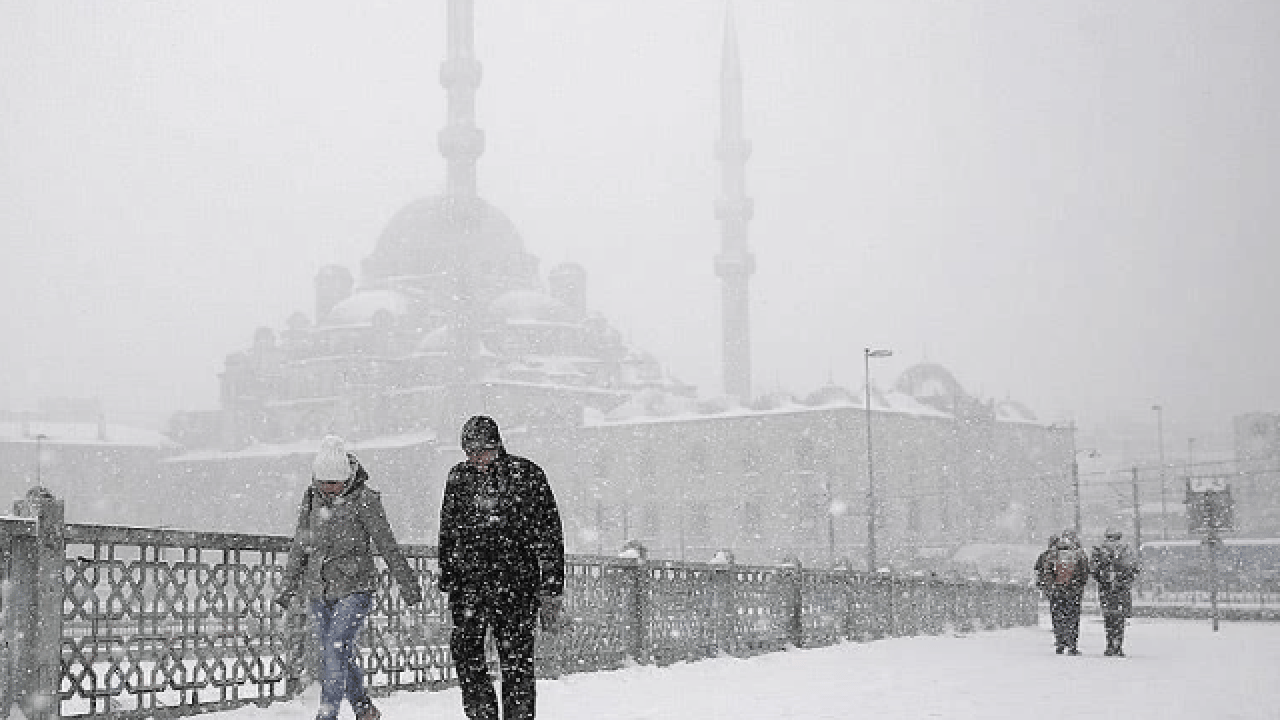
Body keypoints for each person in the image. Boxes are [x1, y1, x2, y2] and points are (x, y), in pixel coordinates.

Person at [276, 435, 423, 720]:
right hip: (319, 588)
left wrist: (408, 583)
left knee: (335, 646)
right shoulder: (310, 499)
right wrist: (288, 586)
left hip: (356, 587)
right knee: (336, 652)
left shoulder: (365, 500)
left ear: (348, 477)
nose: (329, 490)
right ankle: (364, 708)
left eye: (335, 483)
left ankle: (327, 713)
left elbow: (386, 543)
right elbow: (300, 545)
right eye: (323, 483)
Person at [438, 415, 565, 720]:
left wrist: (552, 585)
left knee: (517, 662)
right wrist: (448, 576)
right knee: (467, 654)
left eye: (481, 451)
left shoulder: (528, 475)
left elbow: (550, 533)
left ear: (497, 445)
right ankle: (482, 714)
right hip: (469, 585)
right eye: (470, 452)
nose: (476, 459)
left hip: (516, 585)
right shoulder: (459, 477)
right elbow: (448, 530)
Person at [1092, 527, 1140, 656]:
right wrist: (1125, 580)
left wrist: (1103, 580)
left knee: (1109, 618)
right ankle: (1118, 645)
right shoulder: (1127, 550)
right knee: (1120, 619)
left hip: (1106, 589)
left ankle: (1109, 645)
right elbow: (1135, 568)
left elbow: (1094, 570)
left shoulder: (1099, 549)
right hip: (1122, 589)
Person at [1045, 530, 1090, 655]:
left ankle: (1060, 643)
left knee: (1058, 616)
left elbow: (1047, 571)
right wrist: (1078, 585)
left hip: (1057, 591)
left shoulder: (1053, 553)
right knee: (1073, 617)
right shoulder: (1079, 553)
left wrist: (1052, 586)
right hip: (1073, 591)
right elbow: (1085, 572)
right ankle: (1072, 645)